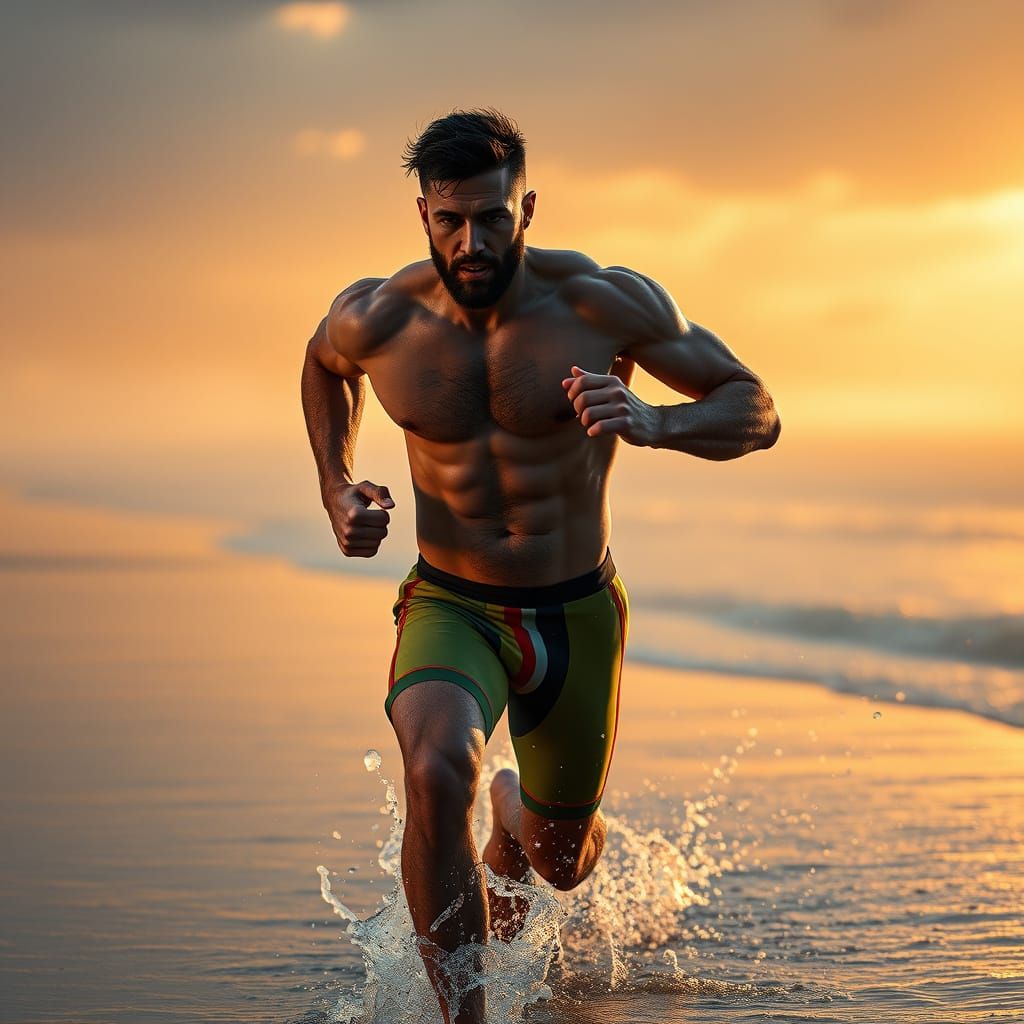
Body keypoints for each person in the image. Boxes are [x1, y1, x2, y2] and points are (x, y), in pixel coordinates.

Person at [301, 108, 780, 1023]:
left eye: (491, 216)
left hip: (574, 612)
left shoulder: (606, 304)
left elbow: (756, 407)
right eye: (450, 220)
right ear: (423, 216)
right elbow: (322, 366)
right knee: (437, 769)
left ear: (528, 207)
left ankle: (520, 811)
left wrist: (658, 423)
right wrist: (335, 485)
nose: (471, 241)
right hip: (451, 601)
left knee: (560, 863)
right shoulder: (379, 316)